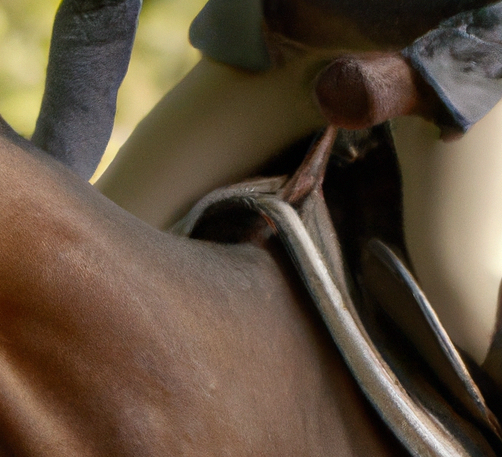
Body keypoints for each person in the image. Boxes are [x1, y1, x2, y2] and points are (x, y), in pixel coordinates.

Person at [36, 1, 502, 366]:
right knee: (83, 261)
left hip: (458, 74)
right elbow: (99, 9)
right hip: (283, 44)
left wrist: (423, 78)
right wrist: (50, 172)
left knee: (460, 292)